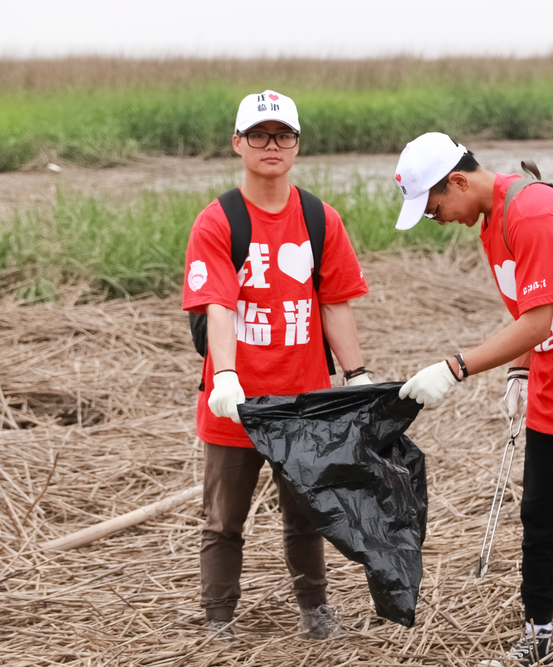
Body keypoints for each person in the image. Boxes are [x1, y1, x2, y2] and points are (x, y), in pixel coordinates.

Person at [393, 133, 553, 667]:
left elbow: (537, 322)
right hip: (551, 385)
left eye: (434, 207)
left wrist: (455, 367)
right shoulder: (492, 220)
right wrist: (520, 371)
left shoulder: (533, 215)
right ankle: (537, 635)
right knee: (540, 518)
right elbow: (530, 311)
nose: (435, 219)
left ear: (458, 181)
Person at [182, 90, 372, 641]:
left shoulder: (319, 218)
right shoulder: (218, 220)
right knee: (224, 520)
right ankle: (219, 620)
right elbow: (218, 305)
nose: (272, 145)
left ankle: (315, 610)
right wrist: (225, 376)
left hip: (304, 401)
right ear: (237, 143)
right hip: (235, 404)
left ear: (296, 145)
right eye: (259, 135)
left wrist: (357, 376)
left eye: (283, 135)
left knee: (307, 515)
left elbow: (334, 303)